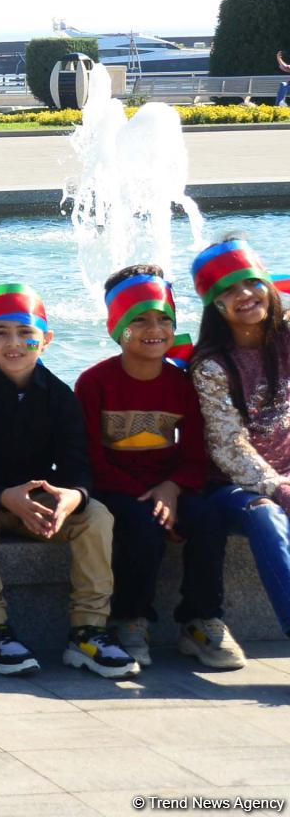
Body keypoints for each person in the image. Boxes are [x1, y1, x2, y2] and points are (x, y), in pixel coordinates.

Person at [0, 282, 138, 679]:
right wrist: (4, 496)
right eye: (0, 332)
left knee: (97, 516)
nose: (14, 343)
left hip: (39, 500)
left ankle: (89, 629)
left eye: (26, 333)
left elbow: (78, 466)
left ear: (46, 339)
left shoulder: (59, 397)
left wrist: (73, 497)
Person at [76, 266, 238, 669]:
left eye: (165, 319)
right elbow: (90, 458)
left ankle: (200, 620)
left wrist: (173, 487)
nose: (155, 329)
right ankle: (130, 619)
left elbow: (195, 454)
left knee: (209, 518)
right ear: (118, 327)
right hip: (116, 487)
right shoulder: (94, 383)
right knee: (142, 528)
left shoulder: (183, 383)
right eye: (141, 319)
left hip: (169, 487)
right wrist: (142, 495)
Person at [189, 238, 290, 642]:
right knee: (264, 513)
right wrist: (279, 486)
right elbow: (228, 446)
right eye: (229, 290)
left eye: (250, 281)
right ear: (215, 305)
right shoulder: (211, 365)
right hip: (234, 486)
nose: (245, 295)